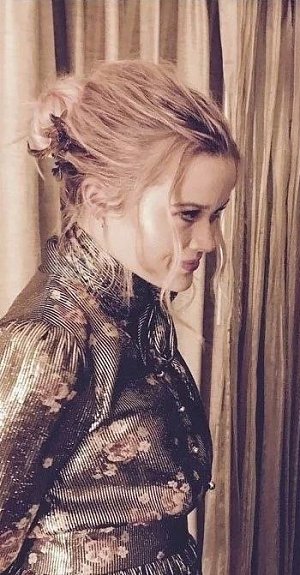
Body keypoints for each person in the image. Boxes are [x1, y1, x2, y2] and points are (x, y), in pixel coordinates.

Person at [0, 60, 239, 575]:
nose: (208, 240)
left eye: (216, 214)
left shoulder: (136, 311)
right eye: (188, 214)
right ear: (100, 198)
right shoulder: (51, 339)